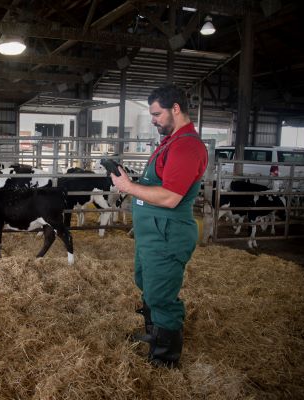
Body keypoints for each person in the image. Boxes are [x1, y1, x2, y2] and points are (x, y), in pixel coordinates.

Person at [109, 83, 207, 368]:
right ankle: (155, 334)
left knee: (161, 295)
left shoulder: (188, 146)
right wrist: (130, 182)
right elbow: (157, 185)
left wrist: (128, 186)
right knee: (147, 284)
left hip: (167, 234)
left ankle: (165, 360)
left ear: (175, 109)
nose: (152, 119)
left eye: (156, 114)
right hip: (151, 233)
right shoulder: (171, 142)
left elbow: (170, 197)